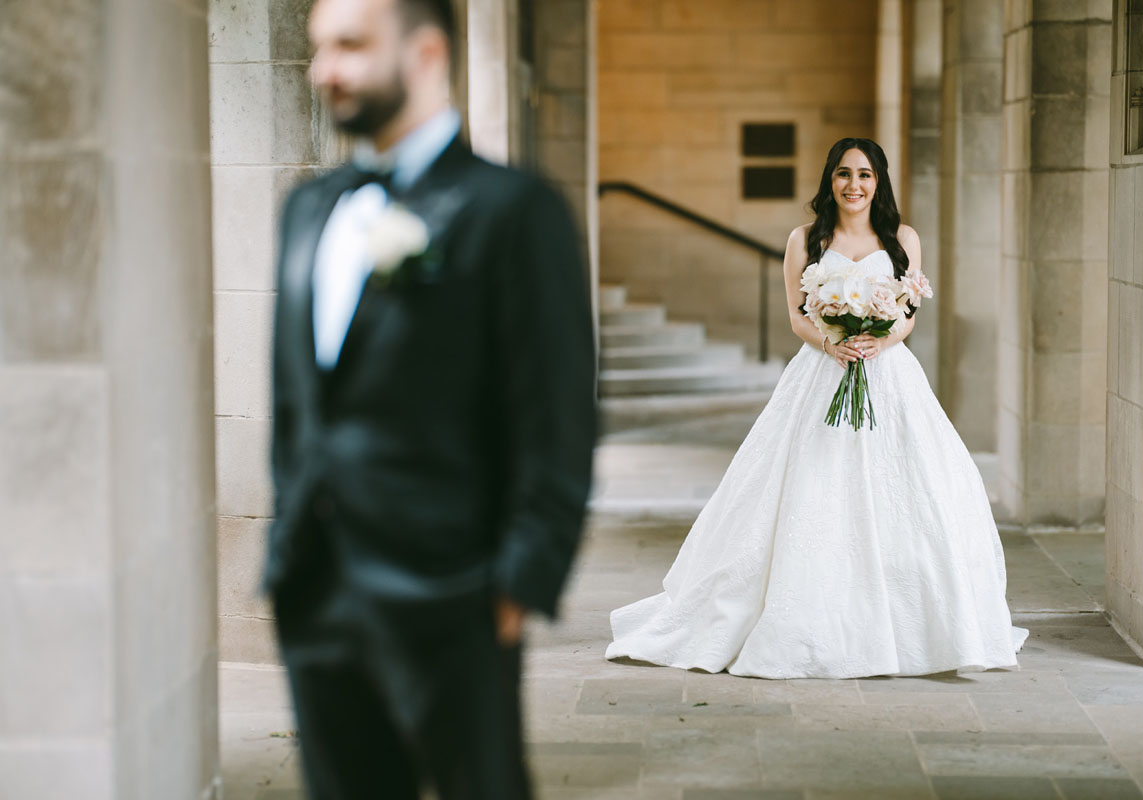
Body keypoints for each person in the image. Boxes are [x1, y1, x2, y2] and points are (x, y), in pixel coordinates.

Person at [265, 0, 596, 796]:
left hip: (456, 593)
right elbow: (296, 402)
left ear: (426, 52)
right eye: (319, 50)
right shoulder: (309, 210)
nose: (325, 71)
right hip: (318, 590)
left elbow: (558, 413)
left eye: (349, 46)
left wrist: (523, 579)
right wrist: (287, 543)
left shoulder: (515, 211)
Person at [606, 138, 1027, 680]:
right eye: (844, 174)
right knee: (812, 485)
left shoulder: (903, 238)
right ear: (829, 180)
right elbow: (796, 315)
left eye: (866, 175)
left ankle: (915, 622)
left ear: (880, 182)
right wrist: (831, 343)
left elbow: (908, 314)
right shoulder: (806, 239)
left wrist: (882, 340)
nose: (855, 185)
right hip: (821, 372)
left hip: (888, 375)